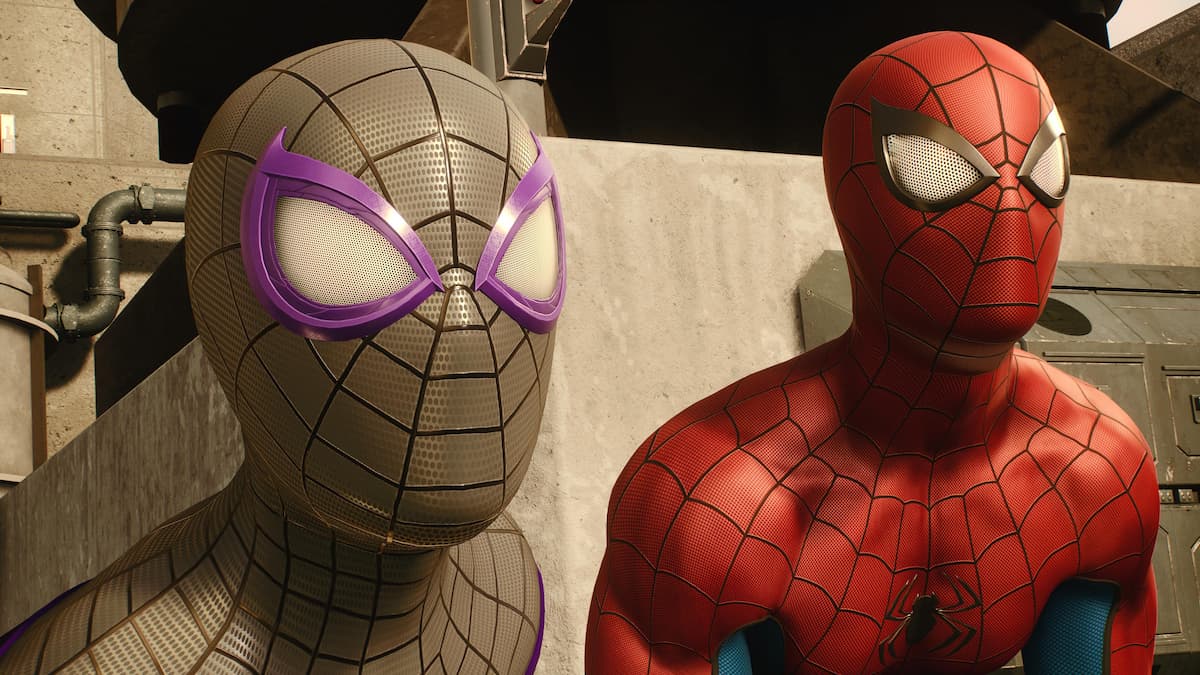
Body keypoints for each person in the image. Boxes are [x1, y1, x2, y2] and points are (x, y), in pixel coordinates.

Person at [586, 31, 1158, 674]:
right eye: (938, 169)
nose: (1008, 213)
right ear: (848, 192)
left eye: (1041, 172)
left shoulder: (1096, 467)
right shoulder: (710, 499)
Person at [0, 39, 565, 673]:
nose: (463, 325)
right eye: (346, 254)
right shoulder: (104, 660)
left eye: (523, 252)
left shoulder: (507, 588)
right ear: (219, 303)